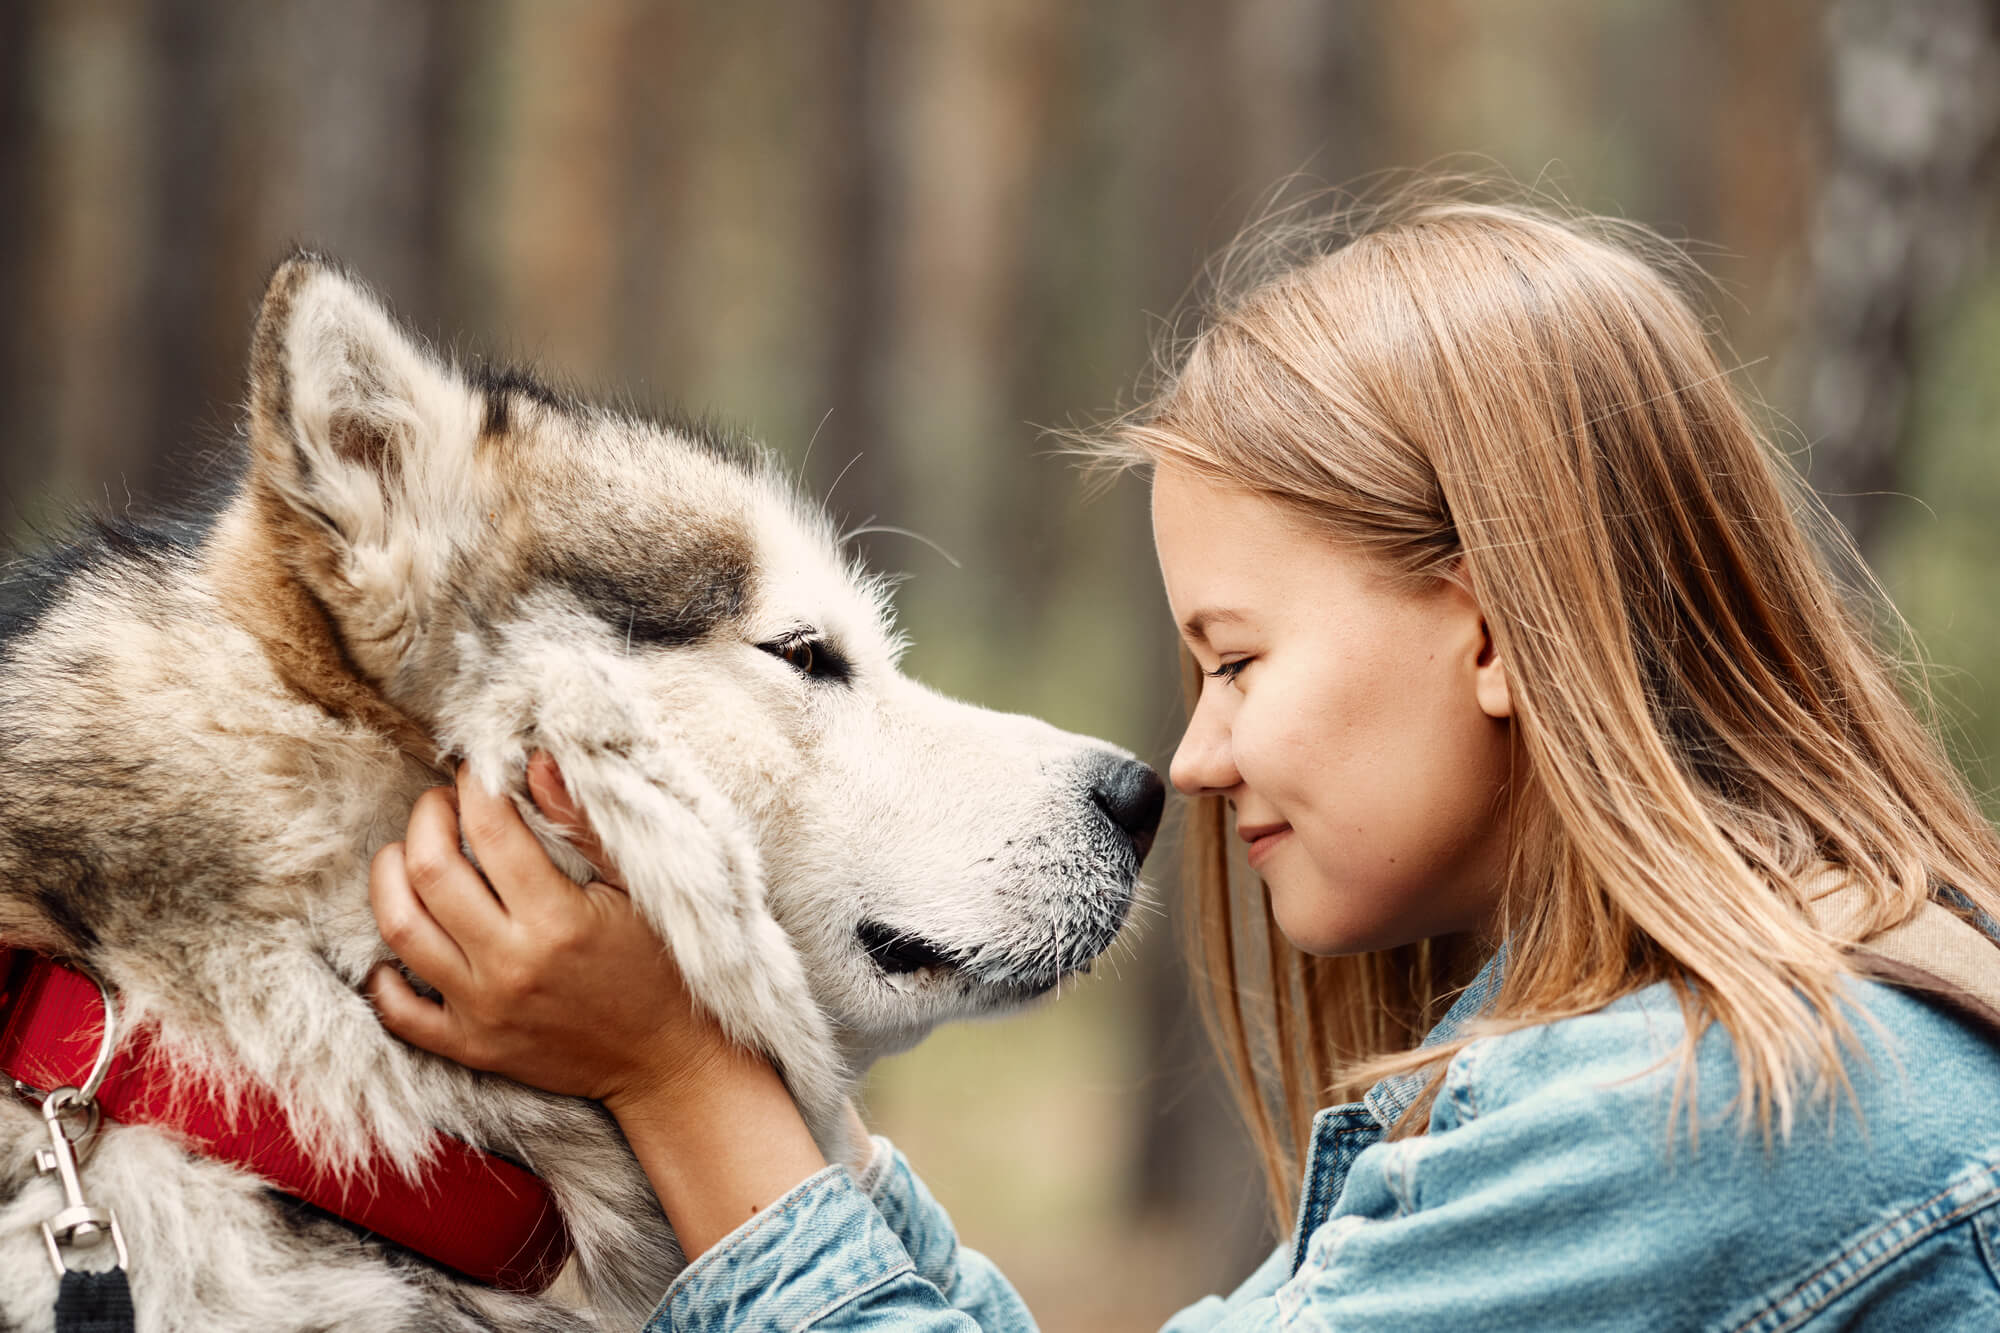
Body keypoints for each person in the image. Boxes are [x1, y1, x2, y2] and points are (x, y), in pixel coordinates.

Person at [364, 188, 2000, 1330]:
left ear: (1491, 629)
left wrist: (679, 1078)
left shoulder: (1714, 1106)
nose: (1195, 758)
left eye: (1235, 660)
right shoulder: (1799, 1029)